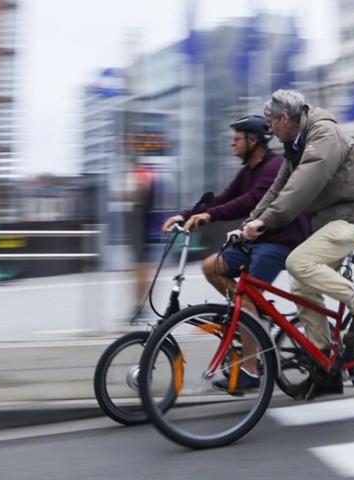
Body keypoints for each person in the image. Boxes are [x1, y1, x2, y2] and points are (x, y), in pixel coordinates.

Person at [161, 114, 309, 394]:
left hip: (280, 241)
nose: (232, 143)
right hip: (255, 241)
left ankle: (251, 369)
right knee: (211, 266)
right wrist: (185, 214)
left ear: (253, 141)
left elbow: (250, 201)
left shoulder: (275, 166)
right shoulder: (247, 172)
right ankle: (250, 320)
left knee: (246, 296)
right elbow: (222, 199)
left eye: (237, 138)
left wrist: (210, 215)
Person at [242, 89, 354, 358]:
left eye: (270, 123)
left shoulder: (323, 135)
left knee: (298, 262)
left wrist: (266, 222)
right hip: (334, 219)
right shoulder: (297, 145)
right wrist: (249, 223)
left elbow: (302, 185)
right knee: (301, 285)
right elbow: (278, 188)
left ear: (284, 117)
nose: (269, 130)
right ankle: (323, 360)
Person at [128, 158, 159, 318]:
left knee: (142, 272)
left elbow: (136, 197)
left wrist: (131, 194)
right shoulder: (147, 175)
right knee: (142, 271)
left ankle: (141, 307)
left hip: (144, 232)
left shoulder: (143, 175)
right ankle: (140, 306)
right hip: (145, 231)